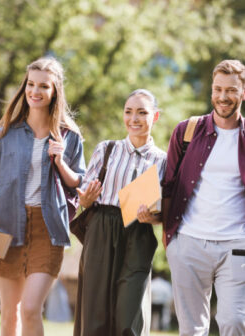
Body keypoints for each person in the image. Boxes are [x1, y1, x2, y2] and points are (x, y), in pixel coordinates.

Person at [0, 56, 86, 336]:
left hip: (47, 229)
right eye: (31, 84)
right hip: (5, 228)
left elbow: (79, 183)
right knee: (8, 318)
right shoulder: (6, 132)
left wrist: (61, 161)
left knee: (30, 309)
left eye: (43, 86)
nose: (35, 92)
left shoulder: (70, 136)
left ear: (54, 92)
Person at [74, 89, 167, 336]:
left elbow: (165, 210)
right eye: (128, 112)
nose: (134, 118)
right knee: (94, 314)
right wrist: (85, 198)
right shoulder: (107, 149)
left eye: (142, 112)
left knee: (130, 315)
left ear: (155, 117)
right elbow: (85, 195)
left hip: (139, 234)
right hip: (101, 229)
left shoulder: (164, 160)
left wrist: (155, 217)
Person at [162, 59, 245, 336]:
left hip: (236, 244)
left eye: (231, 90)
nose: (223, 97)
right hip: (189, 243)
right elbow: (168, 185)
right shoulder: (187, 131)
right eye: (218, 89)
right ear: (211, 90)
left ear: (242, 92)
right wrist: (169, 239)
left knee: (235, 321)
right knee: (192, 330)